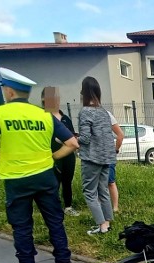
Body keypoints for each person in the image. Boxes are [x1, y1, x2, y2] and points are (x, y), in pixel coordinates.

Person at [0, 68, 79, 263]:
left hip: (16, 179)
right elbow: (72, 143)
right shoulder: (44, 116)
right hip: (45, 176)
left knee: (22, 225)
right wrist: (53, 157)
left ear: (10, 92)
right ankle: (64, 261)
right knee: (54, 220)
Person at [77, 76, 116, 235]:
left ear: (83, 93)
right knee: (103, 191)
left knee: (90, 193)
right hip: (107, 157)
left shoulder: (85, 112)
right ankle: (106, 224)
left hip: (92, 158)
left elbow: (85, 139)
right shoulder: (104, 112)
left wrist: (72, 139)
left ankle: (101, 225)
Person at [40, 86, 79, 216]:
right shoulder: (42, 118)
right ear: (44, 100)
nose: (55, 100)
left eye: (57, 97)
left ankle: (68, 207)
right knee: (53, 183)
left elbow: (72, 136)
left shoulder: (65, 118)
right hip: (51, 155)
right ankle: (53, 208)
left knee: (67, 181)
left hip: (68, 155)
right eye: (52, 98)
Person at [108, 112, 125, 213]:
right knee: (110, 182)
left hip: (104, 155)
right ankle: (114, 208)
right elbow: (120, 135)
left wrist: (116, 149)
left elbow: (120, 135)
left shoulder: (107, 115)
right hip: (108, 155)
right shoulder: (107, 114)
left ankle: (114, 208)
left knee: (110, 182)